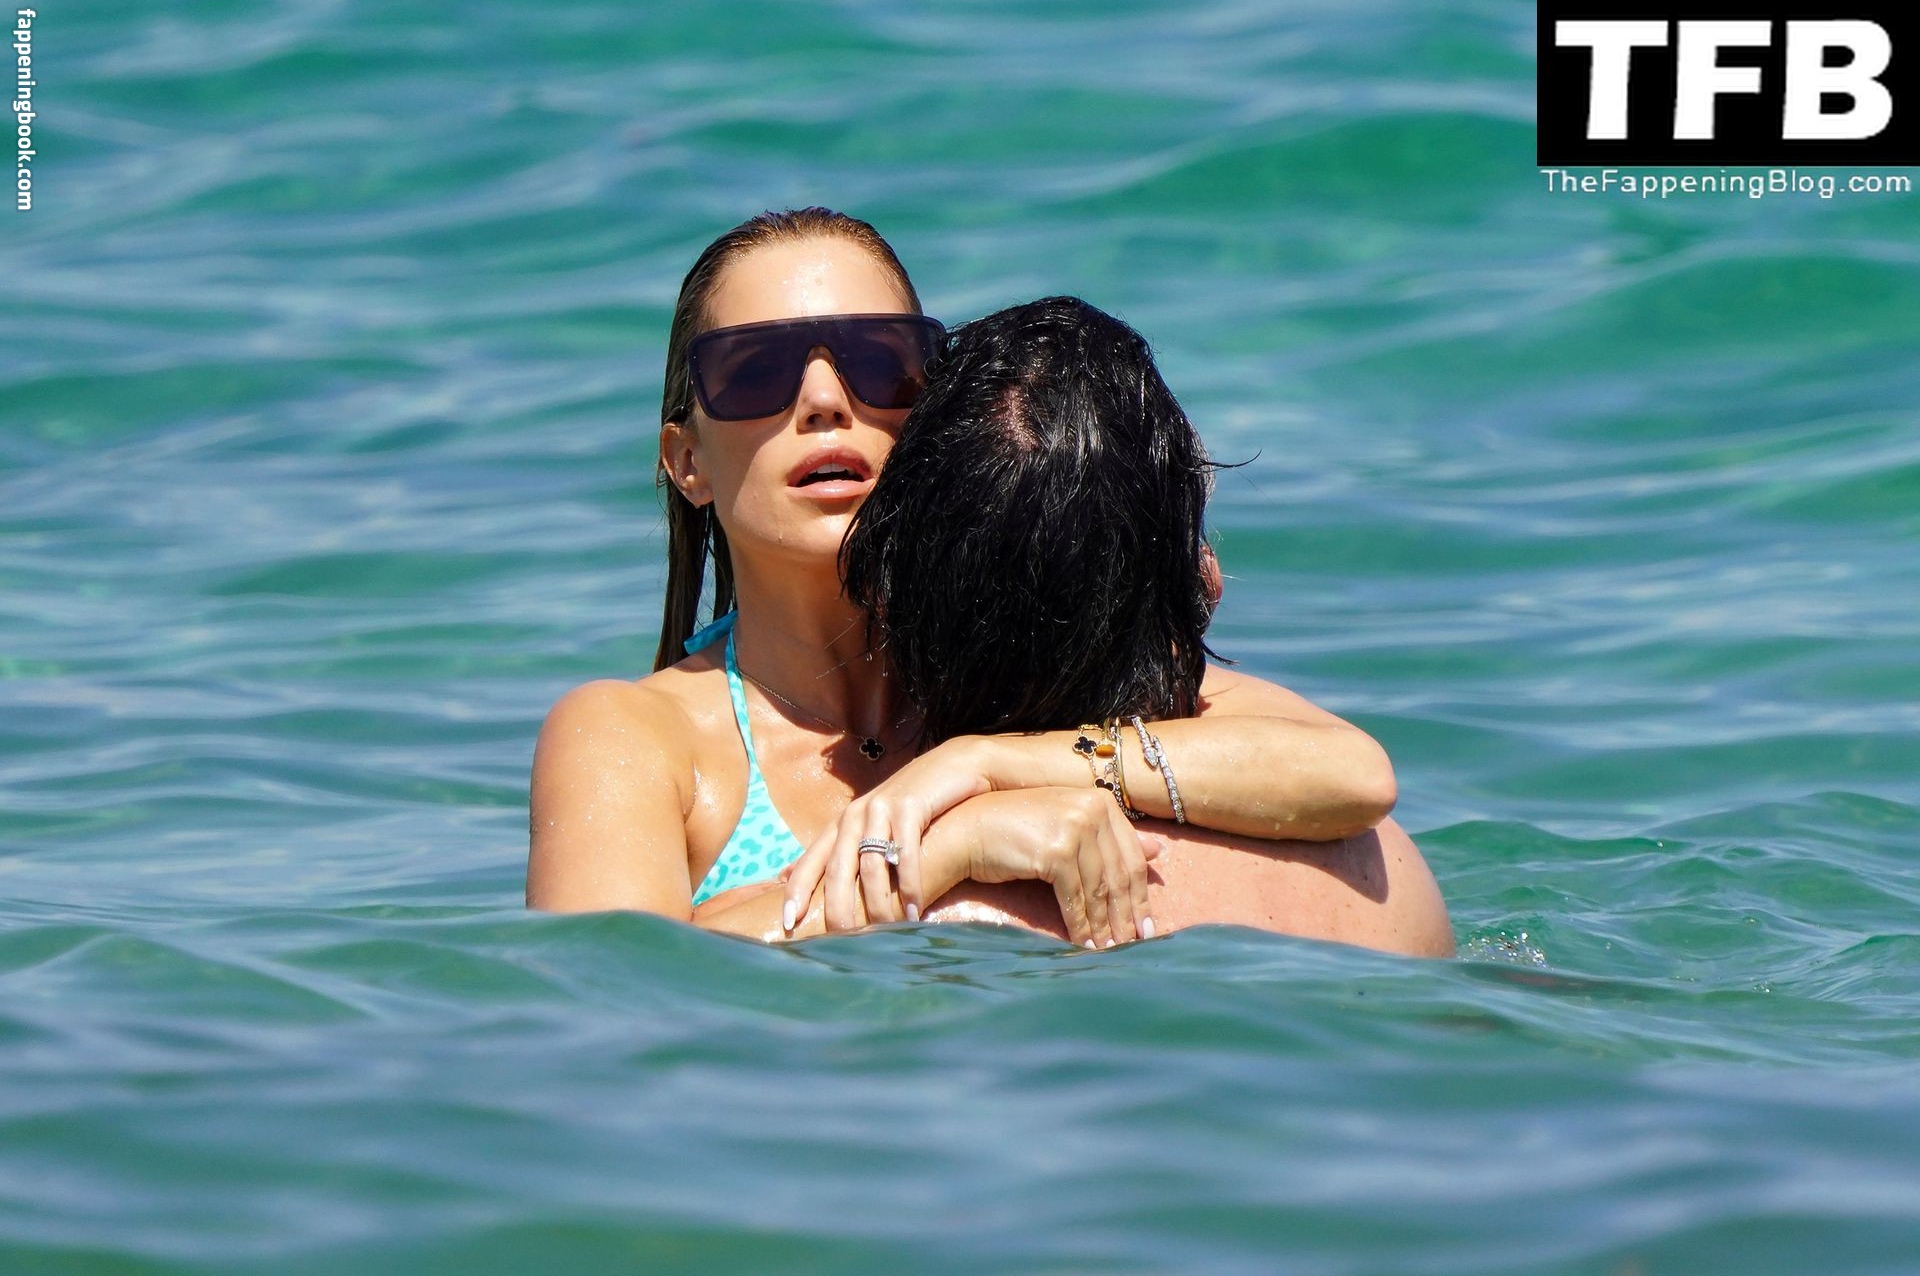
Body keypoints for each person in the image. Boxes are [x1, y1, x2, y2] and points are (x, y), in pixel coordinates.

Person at [526, 207, 1451, 958]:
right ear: (685, 460)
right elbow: (613, 995)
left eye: (879, 362)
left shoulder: (1021, 659)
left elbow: (1349, 771)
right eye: (756, 371)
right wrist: (947, 848)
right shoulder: (638, 737)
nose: (824, 401)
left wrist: (985, 764)